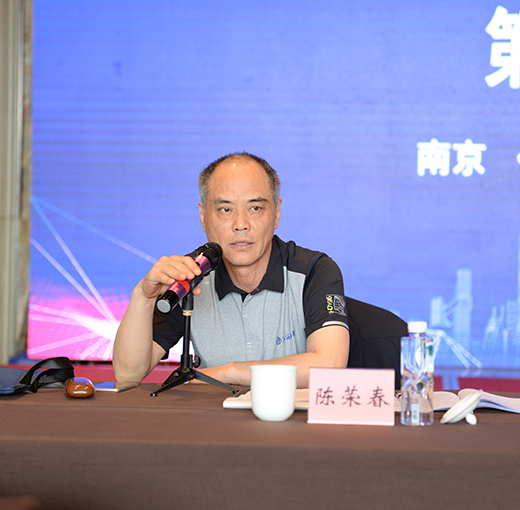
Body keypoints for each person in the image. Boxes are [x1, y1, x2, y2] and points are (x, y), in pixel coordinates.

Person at [113, 152, 349, 390]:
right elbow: (127, 375)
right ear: (203, 216)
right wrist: (143, 297)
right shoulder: (190, 275)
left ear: (276, 213)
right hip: (213, 414)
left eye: (255, 208)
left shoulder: (314, 270)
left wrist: (229, 371)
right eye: (225, 209)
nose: (240, 224)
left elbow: (329, 365)